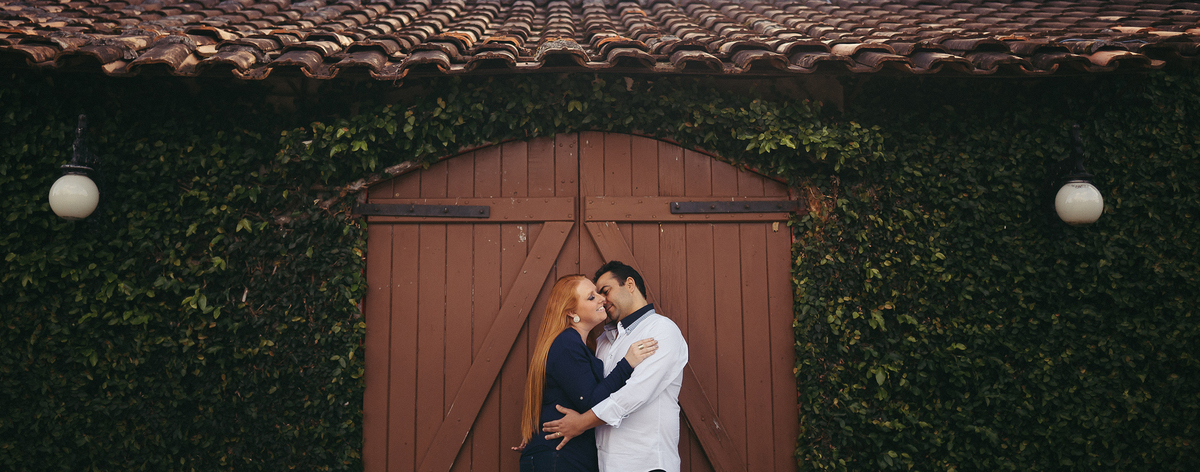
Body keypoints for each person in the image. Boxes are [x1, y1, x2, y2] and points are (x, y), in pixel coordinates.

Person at [542, 261, 689, 472]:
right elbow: (584, 393)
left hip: (646, 462)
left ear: (630, 284)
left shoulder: (661, 330)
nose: (602, 299)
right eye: (596, 294)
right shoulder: (602, 341)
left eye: (606, 291)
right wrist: (539, 436)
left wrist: (581, 424)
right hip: (606, 465)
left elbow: (634, 394)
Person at [515, 274, 659, 472]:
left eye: (599, 293)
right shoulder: (567, 344)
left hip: (565, 456)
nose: (602, 298)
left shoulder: (584, 345)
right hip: (558, 457)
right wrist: (627, 364)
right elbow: (592, 401)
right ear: (571, 311)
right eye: (591, 297)